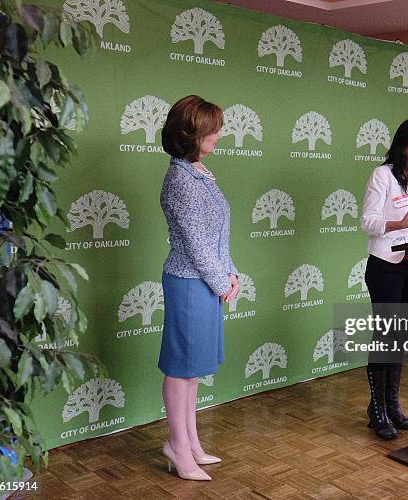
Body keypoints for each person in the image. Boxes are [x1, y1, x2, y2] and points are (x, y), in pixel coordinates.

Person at [158, 95, 239, 480]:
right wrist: (222, 281)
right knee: (180, 368)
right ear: (191, 133)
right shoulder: (179, 179)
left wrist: (231, 273)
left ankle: (189, 443)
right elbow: (194, 241)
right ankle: (177, 445)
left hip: (204, 281)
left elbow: (216, 235)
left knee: (192, 371)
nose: (220, 134)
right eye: (214, 128)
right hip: (189, 282)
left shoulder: (199, 172)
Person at [360, 118, 408, 440]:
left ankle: (392, 404)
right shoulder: (384, 175)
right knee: (385, 335)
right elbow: (368, 221)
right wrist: (398, 222)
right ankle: (377, 408)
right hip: (387, 265)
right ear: (404, 144)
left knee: (401, 337)